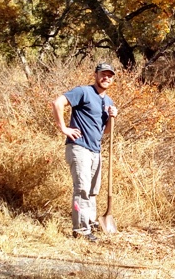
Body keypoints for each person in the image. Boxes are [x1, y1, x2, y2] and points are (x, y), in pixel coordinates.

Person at [52, 63, 118, 242]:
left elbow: (106, 131)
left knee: (92, 190)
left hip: (95, 150)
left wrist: (113, 117)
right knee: (82, 188)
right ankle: (81, 230)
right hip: (79, 147)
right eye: (103, 74)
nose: (106, 78)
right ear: (95, 75)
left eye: (109, 76)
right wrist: (64, 128)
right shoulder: (83, 91)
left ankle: (89, 221)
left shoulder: (108, 101)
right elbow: (57, 103)